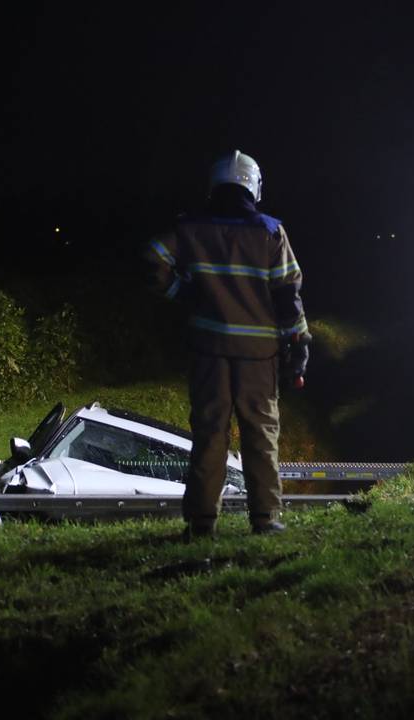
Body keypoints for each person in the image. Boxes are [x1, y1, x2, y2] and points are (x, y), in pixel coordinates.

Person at [146, 149, 308, 538]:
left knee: (209, 434)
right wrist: (299, 345)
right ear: (254, 187)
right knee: (261, 435)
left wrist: (183, 293)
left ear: (214, 184)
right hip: (259, 357)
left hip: (209, 352)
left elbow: (152, 258)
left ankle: (202, 523)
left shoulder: (190, 228)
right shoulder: (271, 232)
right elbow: (289, 294)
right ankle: (265, 519)